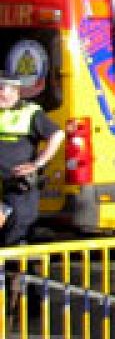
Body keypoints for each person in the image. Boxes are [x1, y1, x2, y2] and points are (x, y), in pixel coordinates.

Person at [0, 71, 64, 248]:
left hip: (18, 185)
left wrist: (37, 164)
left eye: (3, 89)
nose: (1, 94)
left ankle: (15, 271)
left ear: (16, 91)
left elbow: (57, 134)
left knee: (18, 228)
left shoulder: (30, 112)